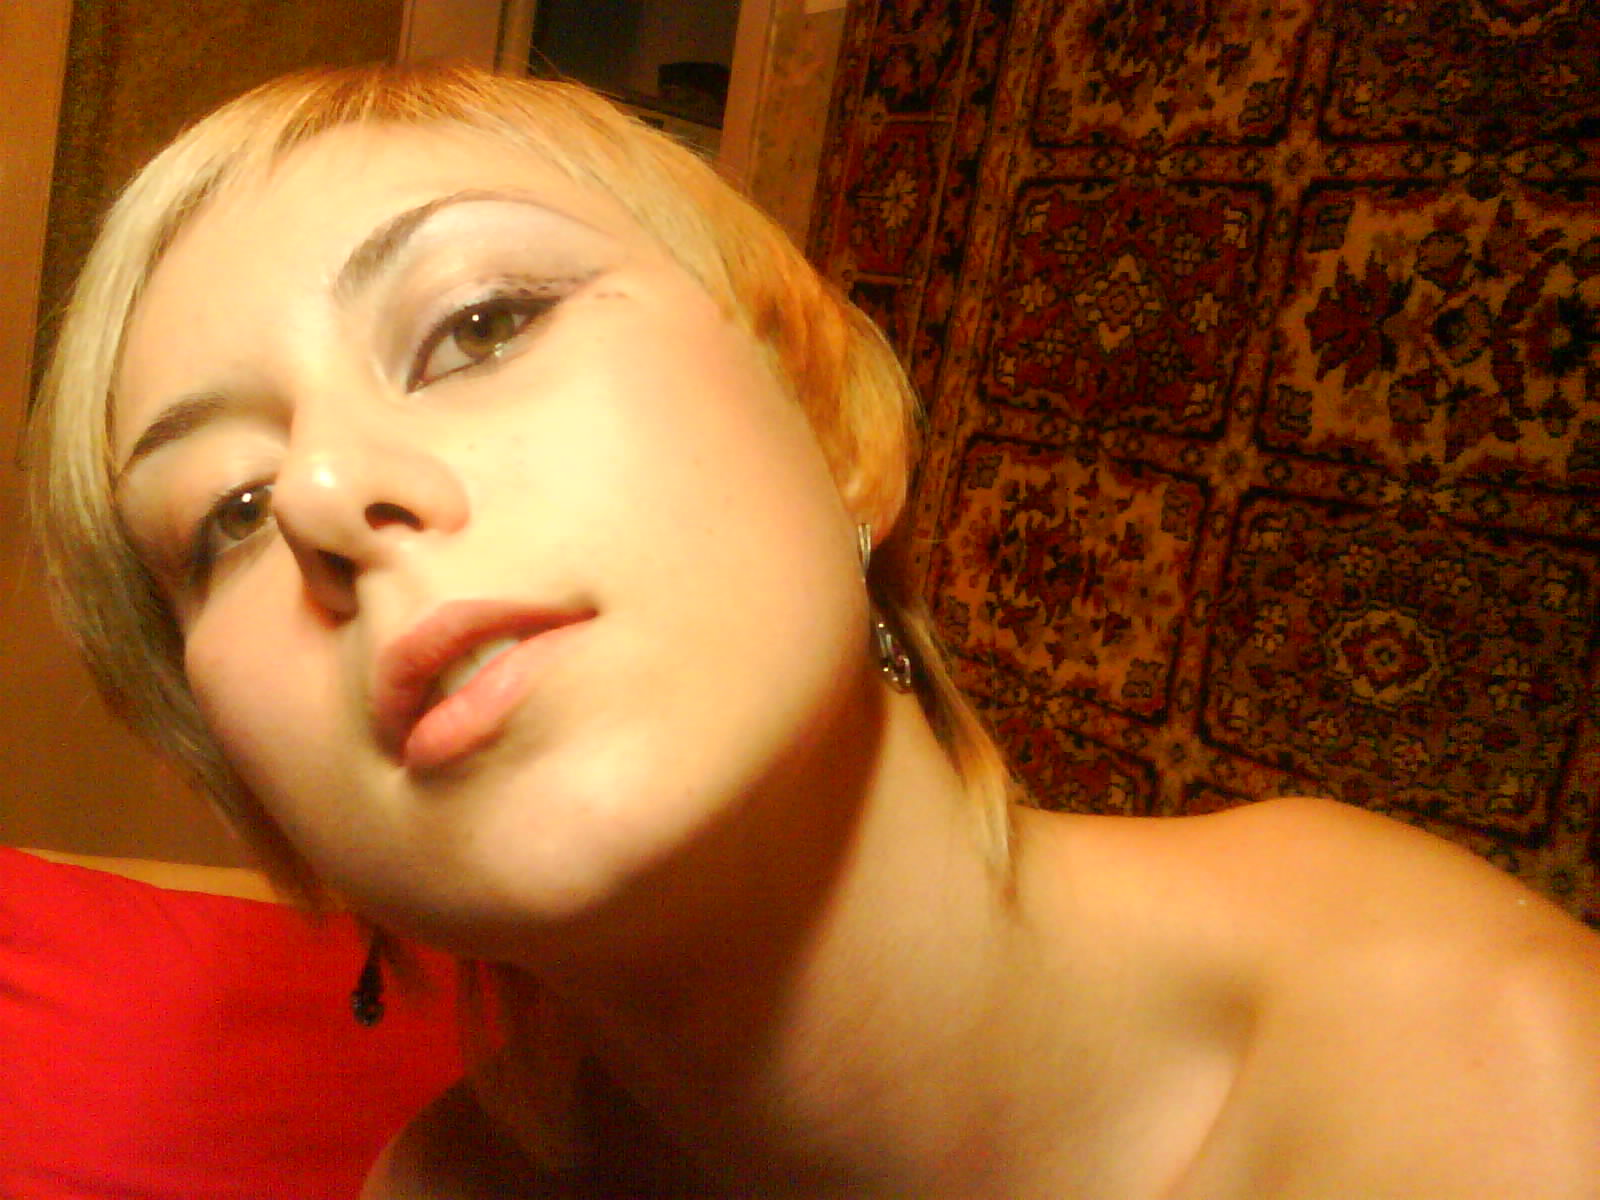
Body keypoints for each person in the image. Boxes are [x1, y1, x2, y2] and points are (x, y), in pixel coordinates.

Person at [30, 62, 1600, 1198]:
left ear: (830, 421)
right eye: (227, 513)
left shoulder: (1498, 1095)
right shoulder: (444, 1184)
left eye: (477, 325)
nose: (320, 495)